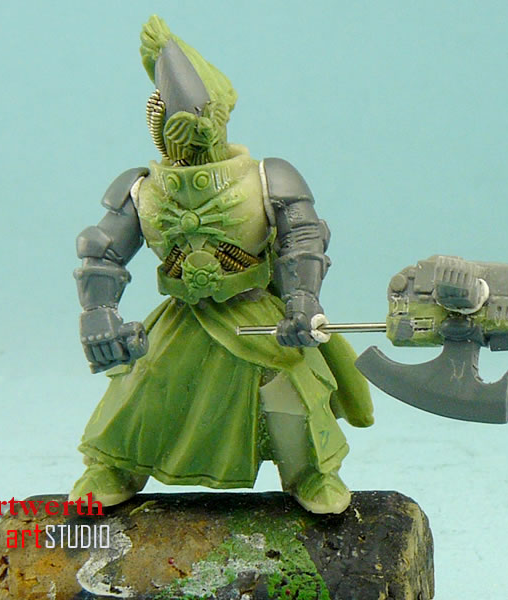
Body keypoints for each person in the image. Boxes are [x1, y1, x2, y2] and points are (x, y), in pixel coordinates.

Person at [70, 16, 373, 514]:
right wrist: (98, 314)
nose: (189, 139)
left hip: (255, 310)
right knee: (145, 383)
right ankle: (115, 465)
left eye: (198, 124)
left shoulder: (266, 177)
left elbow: (302, 239)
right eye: (175, 126)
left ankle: (310, 472)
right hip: (184, 316)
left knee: (287, 386)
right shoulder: (143, 187)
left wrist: (302, 301)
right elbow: (102, 249)